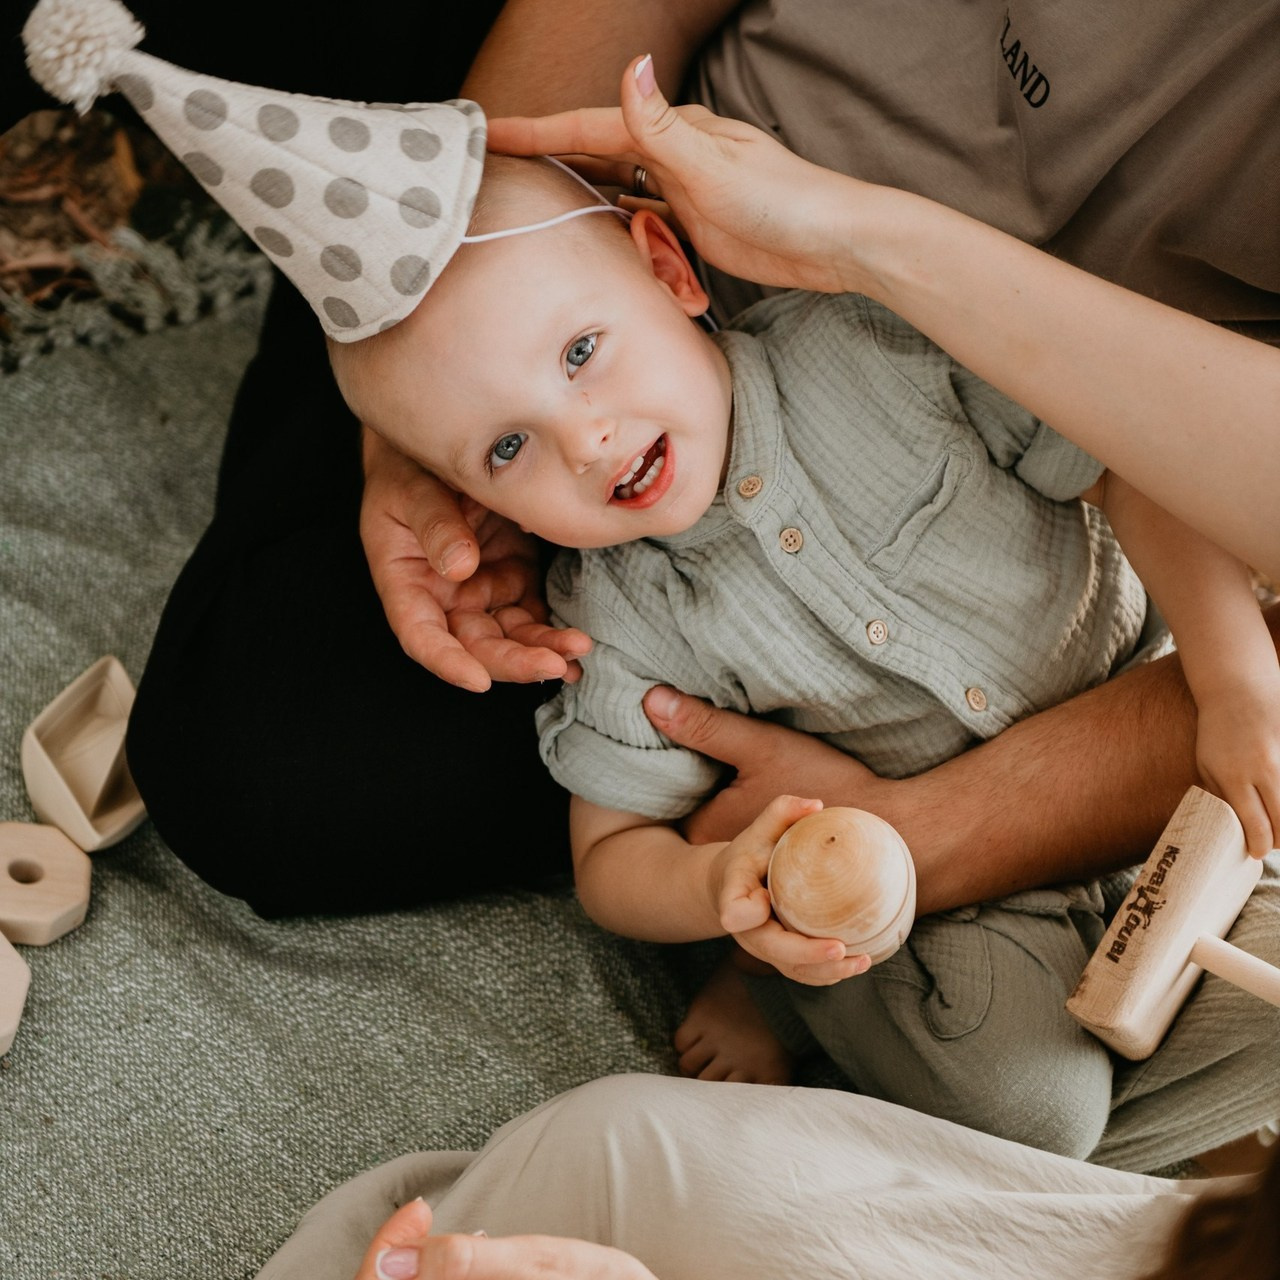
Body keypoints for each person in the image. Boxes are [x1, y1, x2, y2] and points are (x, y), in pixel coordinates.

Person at [255, 49, 1280, 1280]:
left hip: (1151, 747)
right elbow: (611, 860)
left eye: (582, 353)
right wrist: (731, 886)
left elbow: (1132, 462)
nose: (585, 441)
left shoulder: (878, 350)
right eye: (508, 447)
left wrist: (1231, 680)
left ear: (667, 265)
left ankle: (995, 1164)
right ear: (480, 504)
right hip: (942, 916)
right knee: (1035, 1110)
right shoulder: (617, 614)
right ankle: (801, 993)